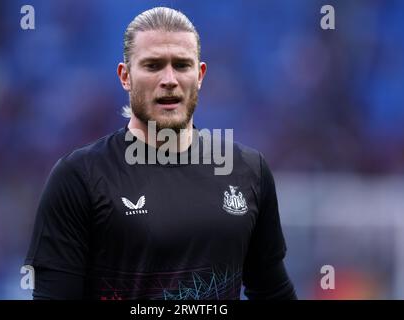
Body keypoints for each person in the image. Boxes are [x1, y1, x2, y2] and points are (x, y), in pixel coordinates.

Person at [24, 6, 297, 300]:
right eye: (153, 66)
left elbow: (273, 289)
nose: (169, 79)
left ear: (200, 75)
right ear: (125, 76)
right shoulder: (79, 177)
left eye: (181, 65)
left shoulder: (249, 171)